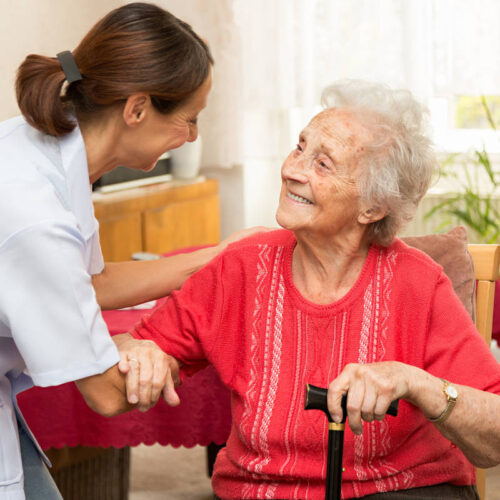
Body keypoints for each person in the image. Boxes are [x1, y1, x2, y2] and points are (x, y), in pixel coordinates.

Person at [126, 80, 500, 499]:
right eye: (299, 147)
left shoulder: (418, 282)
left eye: (323, 164)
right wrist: (142, 351)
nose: (291, 169)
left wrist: (415, 383)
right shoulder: (242, 267)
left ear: (372, 207)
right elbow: (130, 360)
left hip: (400, 491)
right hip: (261, 491)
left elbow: (495, 438)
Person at [0, 3, 262, 499]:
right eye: (190, 119)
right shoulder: (36, 215)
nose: (192, 137)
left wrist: (215, 256)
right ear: (137, 109)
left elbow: (90, 283)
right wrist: (150, 348)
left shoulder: (47, 152)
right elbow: (104, 392)